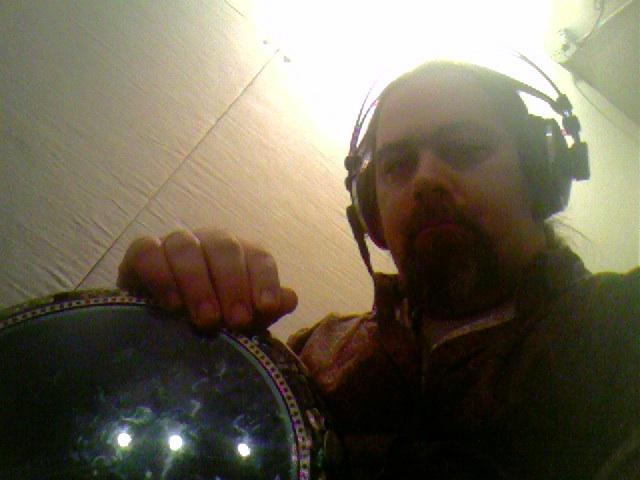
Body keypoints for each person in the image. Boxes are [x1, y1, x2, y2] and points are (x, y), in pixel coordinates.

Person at [117, 60, 640, 479]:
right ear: (371, 213)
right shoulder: (314, 354)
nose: (425, 179)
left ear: (542, 172)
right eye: (397, 166)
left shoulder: (620, 327)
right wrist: (165, 342)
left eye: (465, 148)